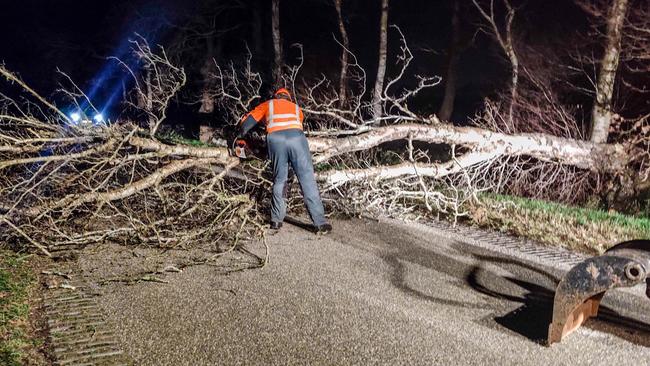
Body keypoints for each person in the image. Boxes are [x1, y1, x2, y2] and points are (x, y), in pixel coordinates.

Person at [238, 88, 332, 234]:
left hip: (276, 140)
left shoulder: (268, 104)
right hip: (297, 139)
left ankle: (276, 220)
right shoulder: (296, 109)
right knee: (307, 179)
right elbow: (294, 126)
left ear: (276, 96)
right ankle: (320, 223)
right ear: (288, 98)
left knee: (280, 179)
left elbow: (245, 124)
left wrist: (244, 136)